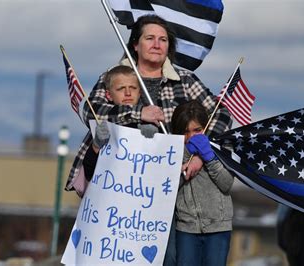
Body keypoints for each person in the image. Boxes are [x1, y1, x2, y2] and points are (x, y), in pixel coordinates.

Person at [66, 14, 232, 266]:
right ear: (136, 44)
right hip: (119, 190)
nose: (157, 44)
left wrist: (199, 154)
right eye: (150, 38)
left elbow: (221, 114)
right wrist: (137, 113)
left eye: (163, 39)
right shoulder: (115, 76)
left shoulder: (185, 81)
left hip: (169, 193)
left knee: (169, 258)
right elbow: (91, 111)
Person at [68, 65, 158, 195]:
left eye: (133, 88)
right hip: (110, 201)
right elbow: (89, 171)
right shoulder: (104, 126)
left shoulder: (151, 123)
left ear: (140, 93)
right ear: (109, 95)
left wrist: (155, 139)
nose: (128, 93)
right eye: (121, 88)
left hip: (142, 200)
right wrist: (96, 146)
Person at [170, 100, 234, 266]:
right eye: (185, 132)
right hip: (186, 227)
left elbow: (226, 184)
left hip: (218, 226)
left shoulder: (220, 148)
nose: (191, 137)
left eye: (197, 130)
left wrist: (209, 157)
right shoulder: (171, 154)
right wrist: (185, 154)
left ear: (206, 128)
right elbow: (167, 187)